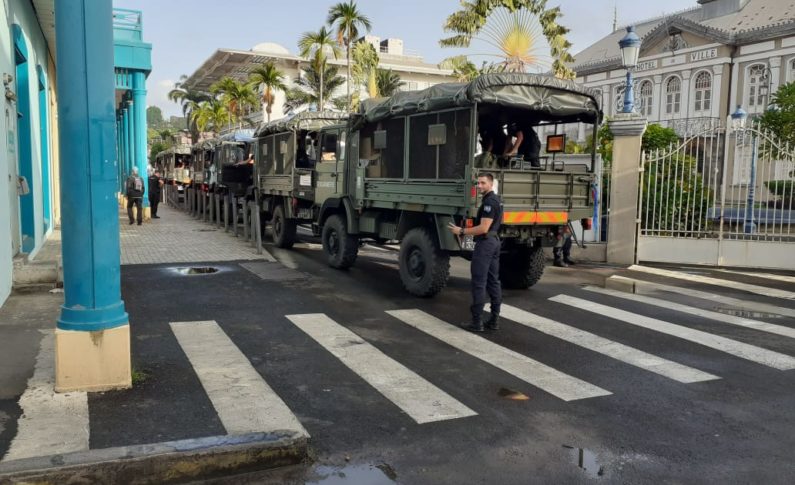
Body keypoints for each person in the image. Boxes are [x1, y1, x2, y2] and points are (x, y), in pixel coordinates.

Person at [447, 173, 503, 332]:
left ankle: (477, 322)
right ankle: (494, 320)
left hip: (485, 244)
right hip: (494, 242)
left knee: (479, 282)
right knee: (493, 281)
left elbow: (484, 228)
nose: (479, 186)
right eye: (478, 183)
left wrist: (462, 230)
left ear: (491, 184)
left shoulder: (489, 203)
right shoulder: (496, 200)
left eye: (483, 183)